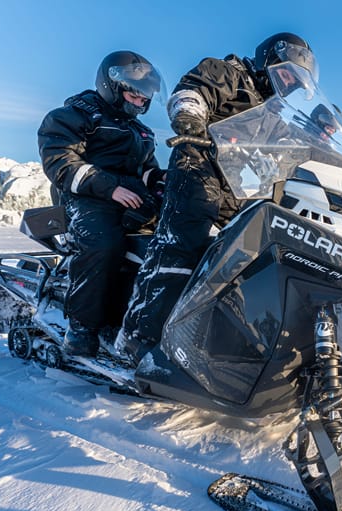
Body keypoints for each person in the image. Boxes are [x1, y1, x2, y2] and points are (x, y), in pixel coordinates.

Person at [116, 33, 317, 363]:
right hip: (198, 169)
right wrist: (190, 116)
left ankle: (222, 349)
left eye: (296, 80)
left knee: (241, 262)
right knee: (183, 245)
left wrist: (318, 144)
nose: (290, 84)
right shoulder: (229, 72)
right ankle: (139, 337)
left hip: (243, 189)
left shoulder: (275, 110)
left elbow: (292, 146)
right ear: (269, 62)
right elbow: (193, 90)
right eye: (287, 74)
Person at [38, 51, 165, 356]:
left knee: (172, 243)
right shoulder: (74, 115)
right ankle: (82, 330)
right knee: (105, 244)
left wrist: (168, 182)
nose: (140, 102)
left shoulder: (140, 131)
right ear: (112, 85)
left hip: (130, 199)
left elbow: (147, 170)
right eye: (134, 95)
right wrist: (111, 188)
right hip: (85, 199)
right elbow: (61, 161)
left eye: (144, 97)